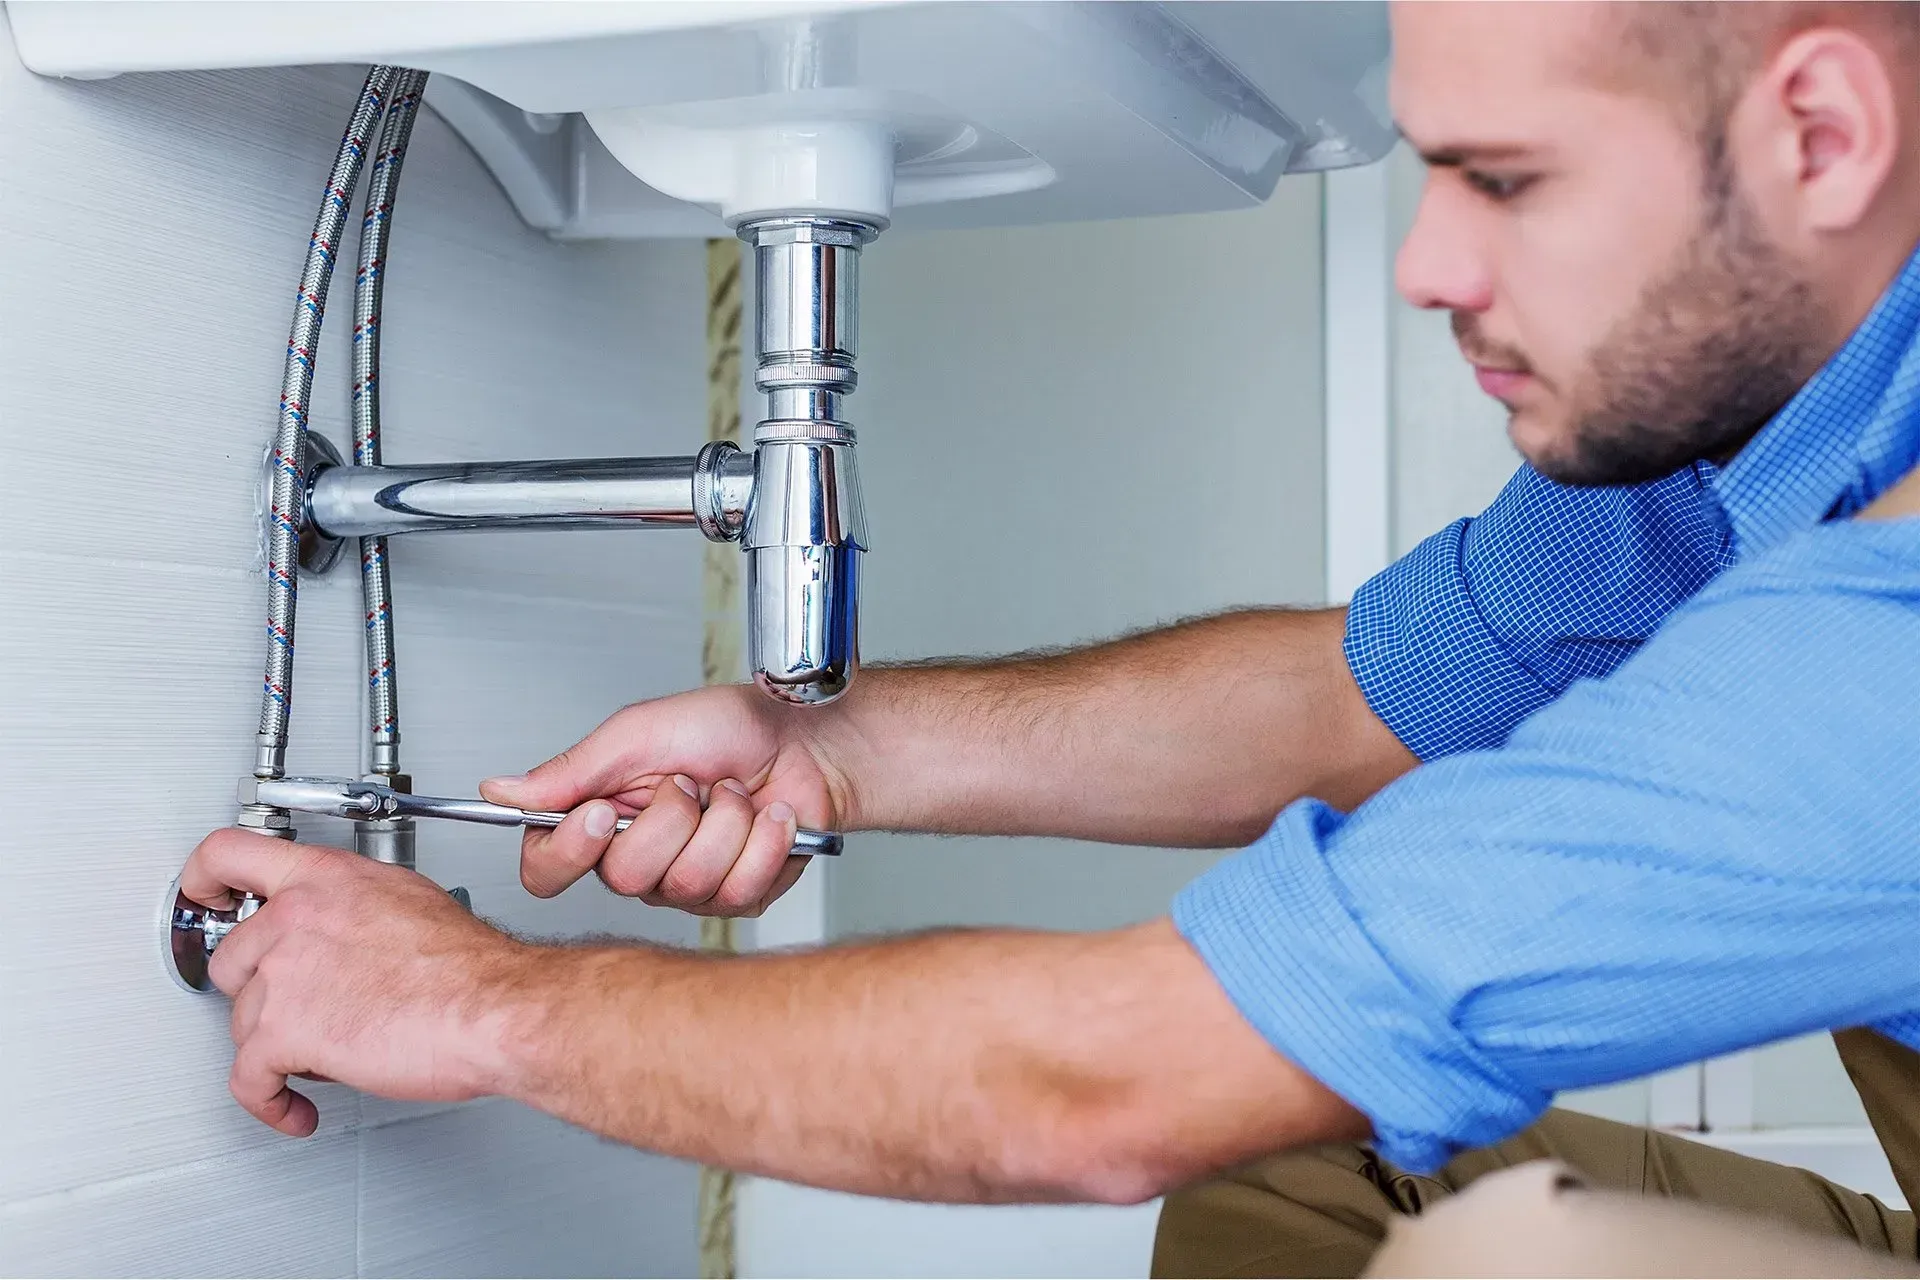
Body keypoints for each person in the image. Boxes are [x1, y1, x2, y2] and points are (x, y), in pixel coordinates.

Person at [182, 2, 1920, 1274]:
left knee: (1499, 1260)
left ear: (1823, 137)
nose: (1425, 265)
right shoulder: (1762, 431)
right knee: (1302, 1184)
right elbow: (1359, 696)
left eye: (1505, 180)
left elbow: (1114, 1084)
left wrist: (482, 1003)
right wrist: (834, 753)